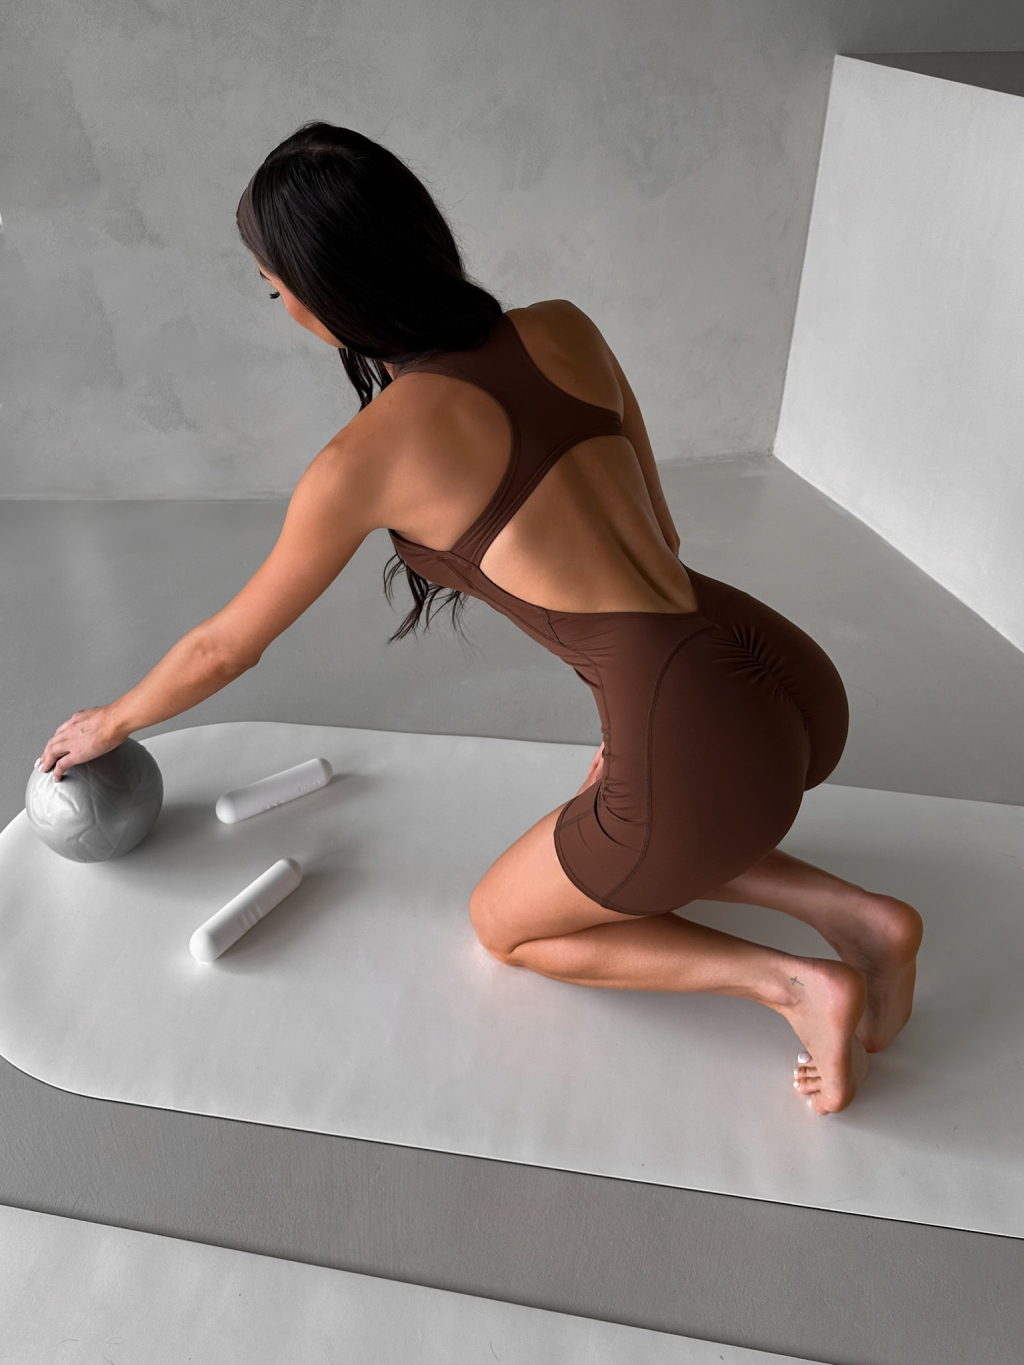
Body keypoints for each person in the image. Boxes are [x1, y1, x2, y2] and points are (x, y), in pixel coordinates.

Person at [37, 122, 922, 1115]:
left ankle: (796, 985)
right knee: (662, 824)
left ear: (325, 291)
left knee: (507, 926)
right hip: (778, 668)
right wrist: (636, 728)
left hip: (690, 721)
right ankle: (865, 919)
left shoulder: (364, 460)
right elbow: (660, 536)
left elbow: (225, 645)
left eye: (273, 287)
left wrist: (112, 721)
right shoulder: (562, 326)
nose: (281, 305)